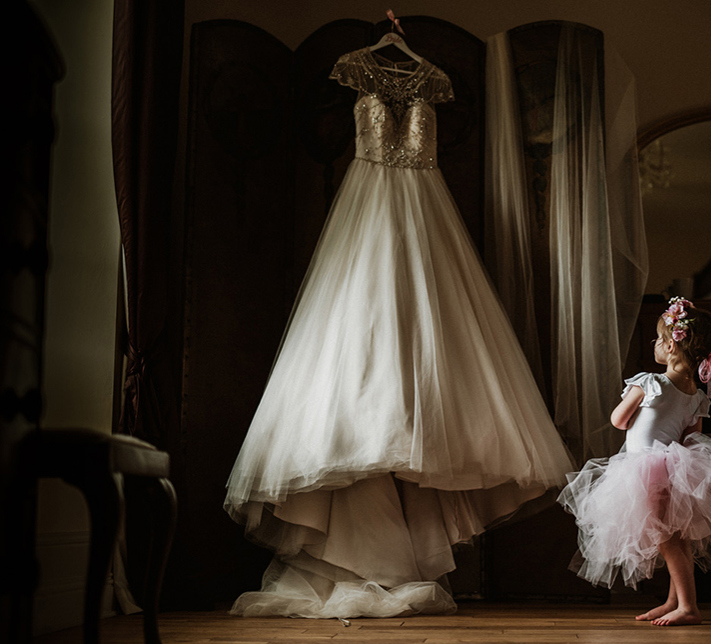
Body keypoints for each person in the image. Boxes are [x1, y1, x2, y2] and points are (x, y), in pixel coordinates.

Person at [223, 44, 574, 619]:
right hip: (366, 221)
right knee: (363, 357)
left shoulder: (434, 81)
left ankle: (393, 557)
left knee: (421, 368)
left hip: (425, 226)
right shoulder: (356, 71)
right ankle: (370, 559)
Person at [558, 297, 711, 626]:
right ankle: (674, 601)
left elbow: (619, 421)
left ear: (670, 345)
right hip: (675, 469)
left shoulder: (649, 382)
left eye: (660, 339)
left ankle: (689, 608)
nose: (656, 344)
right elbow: (690, 437)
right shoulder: (697, 393)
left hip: (644, 469)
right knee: (677, 539)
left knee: (665, 538)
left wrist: (633, 406)